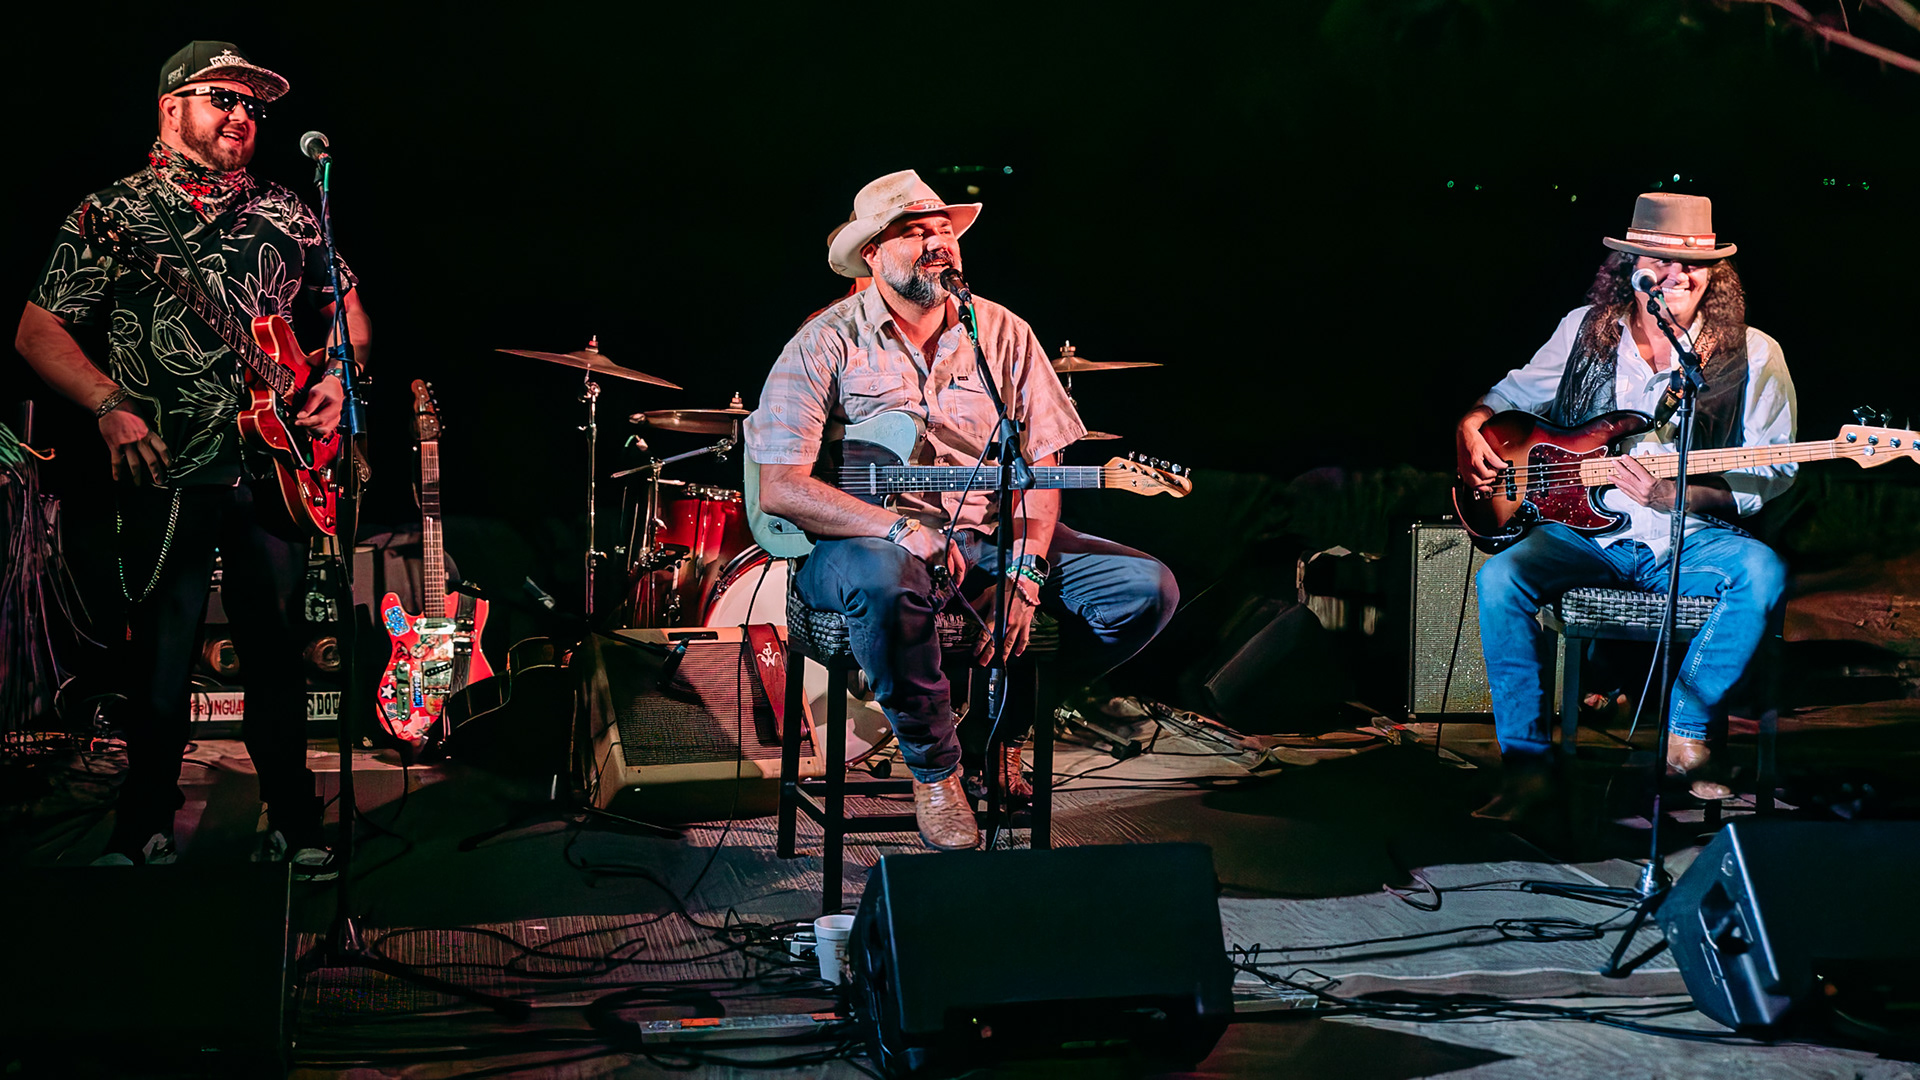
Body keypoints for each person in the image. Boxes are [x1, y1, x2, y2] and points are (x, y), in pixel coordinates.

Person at [14, 42, 371, 873]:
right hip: (167, 467)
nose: (243, 114)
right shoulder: (114, 211)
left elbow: (347, 310)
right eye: (223, 98)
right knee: (160, 658)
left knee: (277, 652)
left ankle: (295, 820)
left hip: (278, 467)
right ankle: (142, 824)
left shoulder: (288, 210)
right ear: (172, 107)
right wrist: (109, 405)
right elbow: (37, 330)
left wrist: (334, 379)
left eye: (254, 105)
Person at [746, 170, 1178, 851]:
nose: (938, 242)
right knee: (885, 579)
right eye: (915, 232)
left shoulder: (1002, 331)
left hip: (985, 534)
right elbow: (781, 488)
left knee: (1144, 589)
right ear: (871, 253)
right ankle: (935, 770)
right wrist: (897, 528)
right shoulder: (826, 339)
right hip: (857, 544)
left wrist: (1027, 572)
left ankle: (1002, 730)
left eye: (944, 230)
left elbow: (1040, 465)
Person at [1455, 192, 1795, 820]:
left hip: (1690, 535)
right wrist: (1472, 424)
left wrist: (1676, 494)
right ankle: (1527, 770)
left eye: (1694, 265)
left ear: (1714, 274)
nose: (1678, 276)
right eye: (1660, 262)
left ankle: (1687, 734)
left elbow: (1774, 468)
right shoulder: (1584, 329)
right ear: (1631, 268)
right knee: (1500, 578)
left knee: (1762, 571)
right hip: (1584, 535)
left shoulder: (1754, 353)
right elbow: (1512, 394)